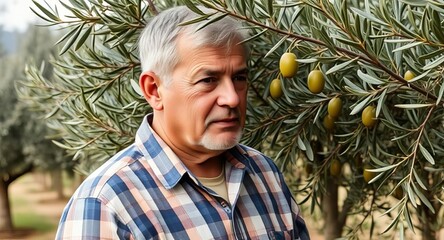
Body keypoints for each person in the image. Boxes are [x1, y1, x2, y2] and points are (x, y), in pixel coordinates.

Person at [55, 6, 309, 240]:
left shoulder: (265, 174)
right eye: (208, 80)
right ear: (154, 90)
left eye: (239, 77)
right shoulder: (106, 206)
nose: (232, 98)